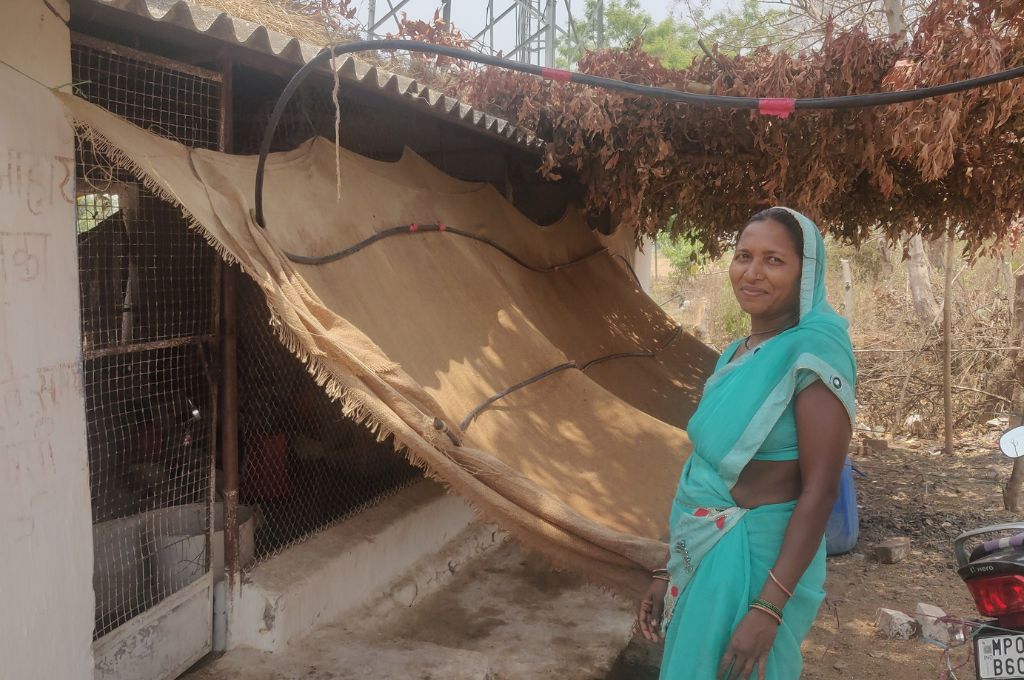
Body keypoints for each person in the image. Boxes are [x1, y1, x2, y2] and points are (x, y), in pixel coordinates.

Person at [637, 207, 856, 680]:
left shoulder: (814, 355)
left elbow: (820, 491)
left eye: (774, 260)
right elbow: (701, 470)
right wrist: (667, 568)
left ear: (805, 273)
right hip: (700, 550)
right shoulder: (734, 355)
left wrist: (769, 607)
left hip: (758, 563)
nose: (752, 273)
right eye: (743, 256)